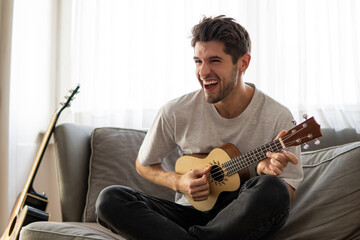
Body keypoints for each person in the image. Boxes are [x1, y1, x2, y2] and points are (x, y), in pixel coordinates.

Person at [95, 15, 303, 240]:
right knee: (110, 199)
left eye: (214, 60)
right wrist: (179, 182)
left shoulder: (277, 116)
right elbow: (144, 164)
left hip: (238, 218)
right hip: (188, 213)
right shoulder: (176, 111)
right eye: (198, 61)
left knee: (274, 189)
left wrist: (265, 174)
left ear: (243, 63)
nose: (203, 72)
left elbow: (288, 191)